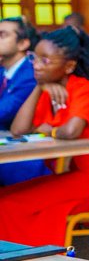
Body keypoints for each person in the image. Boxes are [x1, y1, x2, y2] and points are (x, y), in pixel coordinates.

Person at [0, 28, 89, 246]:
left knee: (12, 203)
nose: (36, 65)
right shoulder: (50, 90)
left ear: (69, 66)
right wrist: (39, 88)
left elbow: (71, 131)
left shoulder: (83, 89)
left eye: (45, 60)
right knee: (5, 196)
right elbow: (19, 130)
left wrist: (49, 130)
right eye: (35, 58)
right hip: (77, 174)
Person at [0, 17, 47, 186]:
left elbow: (3, 112)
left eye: (2, 35)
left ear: (22, 44)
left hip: (23, 156)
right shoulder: (3, 72)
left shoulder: (30, 74)